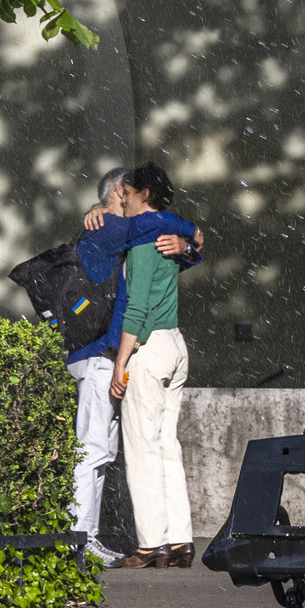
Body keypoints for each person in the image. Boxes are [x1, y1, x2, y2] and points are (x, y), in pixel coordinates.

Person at [73, 170, 201, 566]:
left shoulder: (142, 239)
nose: (125, 203)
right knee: (153, 447)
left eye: (130, 195)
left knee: (140, 449)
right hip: (140, 349)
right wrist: (192, 236)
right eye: (122, 195)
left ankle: (153, 544)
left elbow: (138, 308)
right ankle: (176, 539)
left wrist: (188, 244)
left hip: (136, 349)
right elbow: (158, 223)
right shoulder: (116, 230)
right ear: (115, 193)